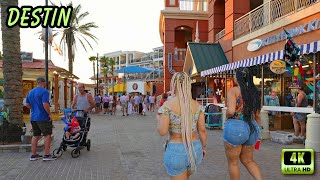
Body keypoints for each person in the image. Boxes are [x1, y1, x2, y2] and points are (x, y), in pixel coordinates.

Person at [157, 72, 207, 179]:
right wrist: (203, 147)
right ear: (188, 85)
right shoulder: (197, 105)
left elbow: (162, 131)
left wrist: (158, 118)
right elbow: (202, 130)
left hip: (176, 150)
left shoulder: (168, 106)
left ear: (174, 85)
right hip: (195, 149)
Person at [223, 67, 262, 180]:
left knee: (233, 162)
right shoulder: (255, 91)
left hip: (236, 126)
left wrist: (227, 116)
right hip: (252, 127)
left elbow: (230, 111)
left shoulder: (234, 90)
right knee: (248, 160)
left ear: (238, 77)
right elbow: (258, 115)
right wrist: (259, 133)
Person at [26, 77, 56, 161]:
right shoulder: (44, 91)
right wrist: (49, 114)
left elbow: (26, 104)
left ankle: (34, 155)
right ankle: (47, 155)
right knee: (47, 135)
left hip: (33, 117)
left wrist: (34, 109)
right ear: (44, 83)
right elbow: (45, 104)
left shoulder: (31, 92)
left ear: (37, 82)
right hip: (43, 117)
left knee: (35, 135)